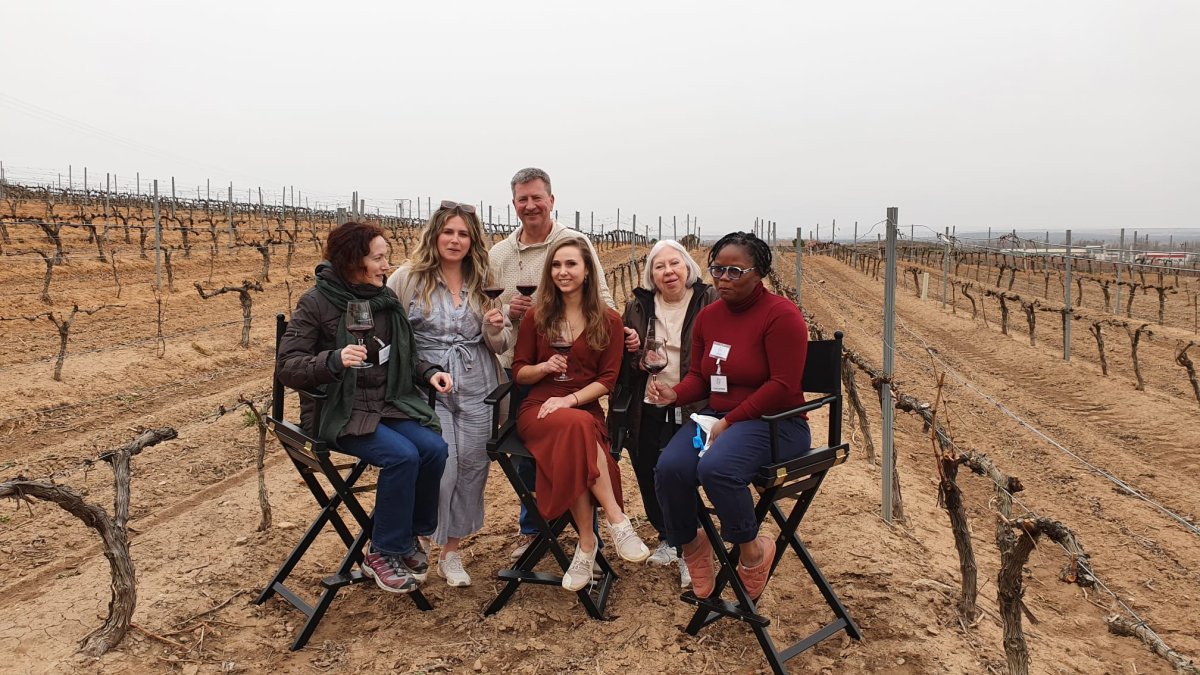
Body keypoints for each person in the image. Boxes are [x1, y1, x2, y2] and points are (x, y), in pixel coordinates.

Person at [277, 221, 452, 594]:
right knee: (403, 456)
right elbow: (287, 366)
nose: (387, 265)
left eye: (385, 257)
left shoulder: (383, 300)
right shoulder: (317, 302)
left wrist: (430, 372)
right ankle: (382, 551)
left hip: (386, 404)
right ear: (353, 260)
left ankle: (410, 536)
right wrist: (334, 359)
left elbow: (405, 355)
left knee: (434, 448)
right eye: (379, 258)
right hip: (338, 411)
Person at [647, 231, 811, 601]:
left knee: (716, 469)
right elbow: (701, 378)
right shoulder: (708, 318)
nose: (723, 279)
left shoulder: (781, 315)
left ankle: (753, 552)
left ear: (760, 272)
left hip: (776, 424)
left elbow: (783, 386)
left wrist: (732, 420)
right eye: (717, 269)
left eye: (734, 271)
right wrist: (675, 395)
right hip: (718, 419)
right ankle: (694, 546)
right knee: (670, 468)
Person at [489, 167, 637, 559]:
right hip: (523, 367)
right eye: (523, 199)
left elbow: (602, 301)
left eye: (537, 197)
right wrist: (507, 308)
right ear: (515, 204)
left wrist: (615, 334)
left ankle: (588, 539)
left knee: (570, 434)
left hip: (578, 381)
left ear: (551, 200)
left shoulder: (574, 241)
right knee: (531, 463)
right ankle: (539, 529)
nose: (531, 205)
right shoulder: (499, 255)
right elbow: (487, 307)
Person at [512, 237, 651, 591]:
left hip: (583, 407)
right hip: (538, 409)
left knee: (577, 431)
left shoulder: (609, 320)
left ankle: (586, 544)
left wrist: (570, 400)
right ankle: (617, 520)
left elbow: (607, 381)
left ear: (587, 271)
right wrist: (543, 367)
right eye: (556, 265)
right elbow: (520, 373)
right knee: (580, 433)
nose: (563, 272)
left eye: (571, 264)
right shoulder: (535, 316)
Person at [387, 201, 514, 588]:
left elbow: (499, 342)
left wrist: (496, 326)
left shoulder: (482, 280)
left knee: (474, 468)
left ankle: (452, 552)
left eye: (463, 234)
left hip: (478, 384)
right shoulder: (407, 278)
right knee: (442, 466)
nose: (455, 240)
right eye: (449, 232)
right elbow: (390, 333)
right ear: (435, 235)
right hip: (427, 386)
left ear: (473, 240)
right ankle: (421, 540)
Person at [615, 240, 718, 589]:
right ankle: (667, 537)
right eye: (659, 267)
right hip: (651, 401)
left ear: (688, 267)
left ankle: (692, 545)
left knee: (679, 471)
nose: (668, 271)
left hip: (696, 402)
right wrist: (634, 355)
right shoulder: (639, 307)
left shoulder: (709, 300)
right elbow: (627, 358)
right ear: (650, 275)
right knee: (646, 468)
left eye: (674, 263)